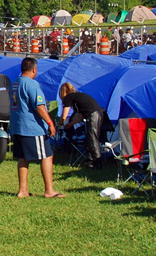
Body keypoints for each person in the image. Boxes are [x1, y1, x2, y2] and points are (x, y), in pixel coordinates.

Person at [11, 57, 60, 198]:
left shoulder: (16, 83)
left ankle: (23, 190)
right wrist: (50, 123)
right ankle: (49, 190)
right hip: (32, 127)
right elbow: (39, 107)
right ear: (34, 69)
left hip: (18, 126)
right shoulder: (32, 84)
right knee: (47, 156)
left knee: (23, 158)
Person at [58, 82, 105, 169]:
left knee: (92, 138)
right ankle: (90, 161)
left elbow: (65, 113)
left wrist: (61, 123)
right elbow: (81, 115)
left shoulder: (69, 96)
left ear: (63, 92)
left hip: (93, 115)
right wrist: (71, 123)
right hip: (97, 113)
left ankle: (98, 163)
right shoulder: (78, 97)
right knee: (89, 138)